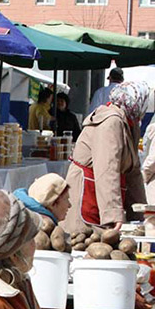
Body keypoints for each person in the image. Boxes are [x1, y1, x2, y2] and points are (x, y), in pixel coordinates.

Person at [61, 82, 149, 235]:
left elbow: (133, 171)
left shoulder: (130, 123)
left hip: (101, 192)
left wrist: (141, 213)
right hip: (88, 192)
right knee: (83, 241)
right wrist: (113, 213)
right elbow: (107, 169)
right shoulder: (112, 122)